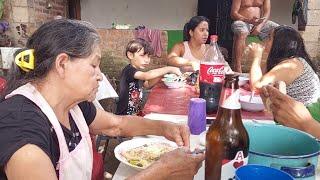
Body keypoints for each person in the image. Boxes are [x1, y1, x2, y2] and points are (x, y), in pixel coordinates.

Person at [0, 19, 204, 180]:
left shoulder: (73, 104)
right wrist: (162, 171)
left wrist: (165, 128)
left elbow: (117, 125)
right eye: (94, 65)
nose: (100, 75)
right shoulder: (21, 129)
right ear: (62, 64)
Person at [249, 25, 320, 106]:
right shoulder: (282, 60)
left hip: (305, 113)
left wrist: (256, 57)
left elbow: (256, 88)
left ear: (279, 44)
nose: (265, 41)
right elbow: (259, 78)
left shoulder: (290, 65)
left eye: (269, 38)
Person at [116, 38, 182, 115]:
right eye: (142, 56)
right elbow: (146, 76)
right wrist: (168, 69)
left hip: (134, 114)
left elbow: (147, 84)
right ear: (130, 55)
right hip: (124, 116)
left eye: (148, 56)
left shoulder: (137, 72)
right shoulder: (129, 71)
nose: (147, 60)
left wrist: (161, 75)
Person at [167, 16, 232, 73]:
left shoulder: (210, 49)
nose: (206, 33)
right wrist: (190, 63)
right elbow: (170, 59)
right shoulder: (181, 47)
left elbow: (225, 67)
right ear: (191, 32)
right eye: (202, 30)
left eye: (207, 30)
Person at [231, 0, 278, 72]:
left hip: (259, 23)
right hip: (243, 21)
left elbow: (267, 12)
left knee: (278, 30)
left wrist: (260, 26)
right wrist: (248, 20)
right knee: (242, 32)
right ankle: (238, 67)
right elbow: (233, 14)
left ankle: (273, 65)